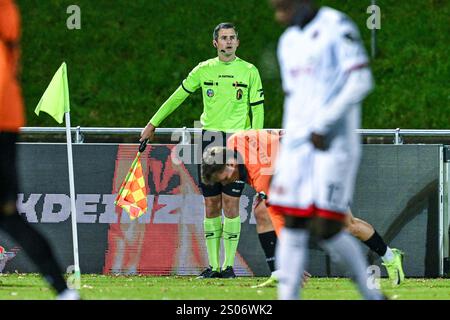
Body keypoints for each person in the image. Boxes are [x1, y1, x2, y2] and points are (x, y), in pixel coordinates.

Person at [268, 0, 384, 299]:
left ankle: (371, 295)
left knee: (328, 227)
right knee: (292, 221)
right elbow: (294, 101)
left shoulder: (337, 26)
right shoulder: (288, 41)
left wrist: (323, 124)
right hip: (298, 146)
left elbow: (359, 80)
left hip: (333, 144)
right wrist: (288, 147)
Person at [201, 129, 405, 288]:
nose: (227, 183)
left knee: (347, 225)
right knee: (261, 211)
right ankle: (279, 272)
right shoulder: (233, 141)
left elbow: (279, 218)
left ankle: (390, 256)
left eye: (226, 178)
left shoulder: (262, 176)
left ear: (230, 164)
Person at [140, 23, 265, 278]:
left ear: (238, 43)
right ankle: (213, 267)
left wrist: (254, 140)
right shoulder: (203, 69)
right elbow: (177, 96)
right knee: (210, 205)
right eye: (223, 38)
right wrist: (153, 123)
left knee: (231, 204)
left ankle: (228, 267)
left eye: (232, 38)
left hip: (236, 143)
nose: (228, 42)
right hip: (208, 142)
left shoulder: (250, 71)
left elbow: (258, 110)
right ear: (215, 43)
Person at [0, 0, 79, 300]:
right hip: (6, 120)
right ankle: (62, 291)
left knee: (9, 216)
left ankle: (63, 291)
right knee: (9, 218)